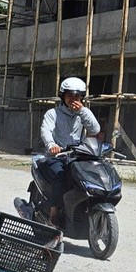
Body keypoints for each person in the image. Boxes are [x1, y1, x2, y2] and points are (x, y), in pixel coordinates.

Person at [37, 77, 101, 220]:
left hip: (77, 156)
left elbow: (95, 129)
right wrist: (51, 145)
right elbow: (45, 131)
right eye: (70, 95)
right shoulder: (53, 114)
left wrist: (83, 111)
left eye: (77, 96)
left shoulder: (83, 114)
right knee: (60, 176)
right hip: (56, 156)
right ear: (63, 96)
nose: (73, 99)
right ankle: (54, 214)